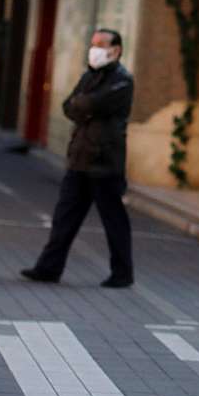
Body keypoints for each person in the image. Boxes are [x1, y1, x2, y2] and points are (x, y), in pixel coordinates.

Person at [21, 29, 134, 288]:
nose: (93, 49)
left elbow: (92, 105)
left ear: (115, 50)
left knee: (113, 220)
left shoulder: (122, 80)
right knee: (64, 217)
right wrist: (85, 105)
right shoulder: (89, 76)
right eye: (92, 44)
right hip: (80, 158)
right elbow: (69, 106)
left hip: (105, 162)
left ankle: (122, 273)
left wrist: (84, 105)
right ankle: (48, 268)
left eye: (100, 45)